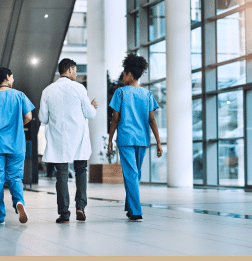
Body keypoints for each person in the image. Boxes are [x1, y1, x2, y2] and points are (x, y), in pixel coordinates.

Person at [39, 58, 98, 223]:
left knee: (61, 175)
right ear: (70, 69)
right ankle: (80, 207)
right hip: (78, 139)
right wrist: (91, 106)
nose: (76, 74)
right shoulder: (79, 88)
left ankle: (64, 214)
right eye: (76, 70)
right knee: (81, 171)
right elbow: (90, 114)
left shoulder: (48, 90)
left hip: (59, 139)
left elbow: (43, 118)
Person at [108, 54, 163, 221]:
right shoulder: (147, 95)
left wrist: (110, 139)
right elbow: (151, 119)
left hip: (125, 139)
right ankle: (130, 207)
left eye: (124, 74)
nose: (123, 77)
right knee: (134, 174)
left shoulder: (120, 92)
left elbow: (115, 118)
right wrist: (158, 143)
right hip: (142, 139)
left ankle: (136, 210)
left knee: (132, 174)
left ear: (130, 74)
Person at [0, 67, 34, 225]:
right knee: (15, 177)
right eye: (12, 77)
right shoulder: (19, 95)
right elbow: (28, 116)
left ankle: (0, 217)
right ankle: (19, 202)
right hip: (16, 144)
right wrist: (18, 124)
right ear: (7, 77)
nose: (13, 80)